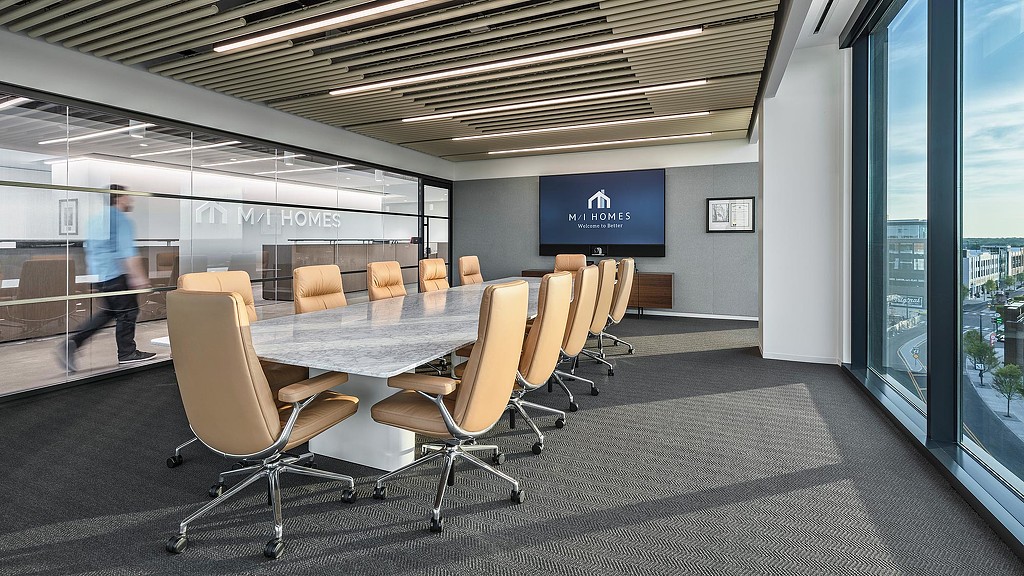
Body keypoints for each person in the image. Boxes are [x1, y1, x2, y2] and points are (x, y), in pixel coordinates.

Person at [57, 184, 156, 371]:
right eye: (127, 197)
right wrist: (139, 278)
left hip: (100, 275)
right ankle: (127, 353)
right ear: (118, 198)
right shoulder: (121, 220)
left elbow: (91, 249)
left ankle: (72, 343)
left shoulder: (96, 219)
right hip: (116, 273)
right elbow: (127, 253)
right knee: (128, 312)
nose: (131, 200)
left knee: (110, 312)